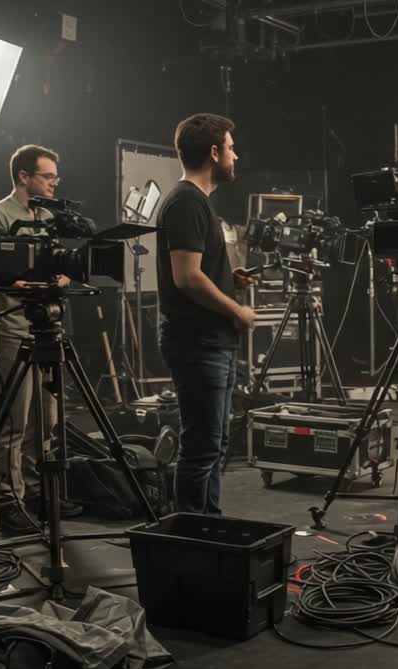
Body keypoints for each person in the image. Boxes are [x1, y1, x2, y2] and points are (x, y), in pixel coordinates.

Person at [0, 144, 82, 534]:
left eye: (55, 177)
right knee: (14, 422)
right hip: (14, 328)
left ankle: (38, 494)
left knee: (46, 419)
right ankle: (10, 502)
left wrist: (63, 276)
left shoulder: (48, 217)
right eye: (47, 176)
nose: (54, 183)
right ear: (24, 176)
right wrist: (23, 283)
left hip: (47, 325)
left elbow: (57, 265)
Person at [157, 113, 256, 515]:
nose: (236, 155)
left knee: (214, 445)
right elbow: (186, 278)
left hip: (212, 342)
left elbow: (197, 271)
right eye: (231, 147)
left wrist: (228, 278)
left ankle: (208, 527)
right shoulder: (186, 202)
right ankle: (192, 535)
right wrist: (237, 310)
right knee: (200, 449)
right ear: (214, 153)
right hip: (198, 343)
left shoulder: (197, 203)